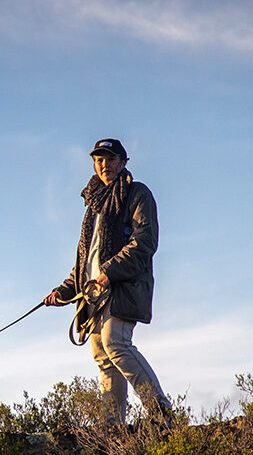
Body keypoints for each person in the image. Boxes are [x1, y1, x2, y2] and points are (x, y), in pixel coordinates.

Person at [43, 138, 172, 427]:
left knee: (116, 344)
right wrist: (63, 291)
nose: (105, 164)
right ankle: (112, 426)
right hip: (93, 296)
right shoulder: (93, 206)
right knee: (102, 356)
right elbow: (84, 261)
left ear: (124, 162)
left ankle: (161, 412)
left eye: (111, 159)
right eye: (99, 160)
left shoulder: (137, 194)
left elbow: (144, 243)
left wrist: (108, 273)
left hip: (122, 287)